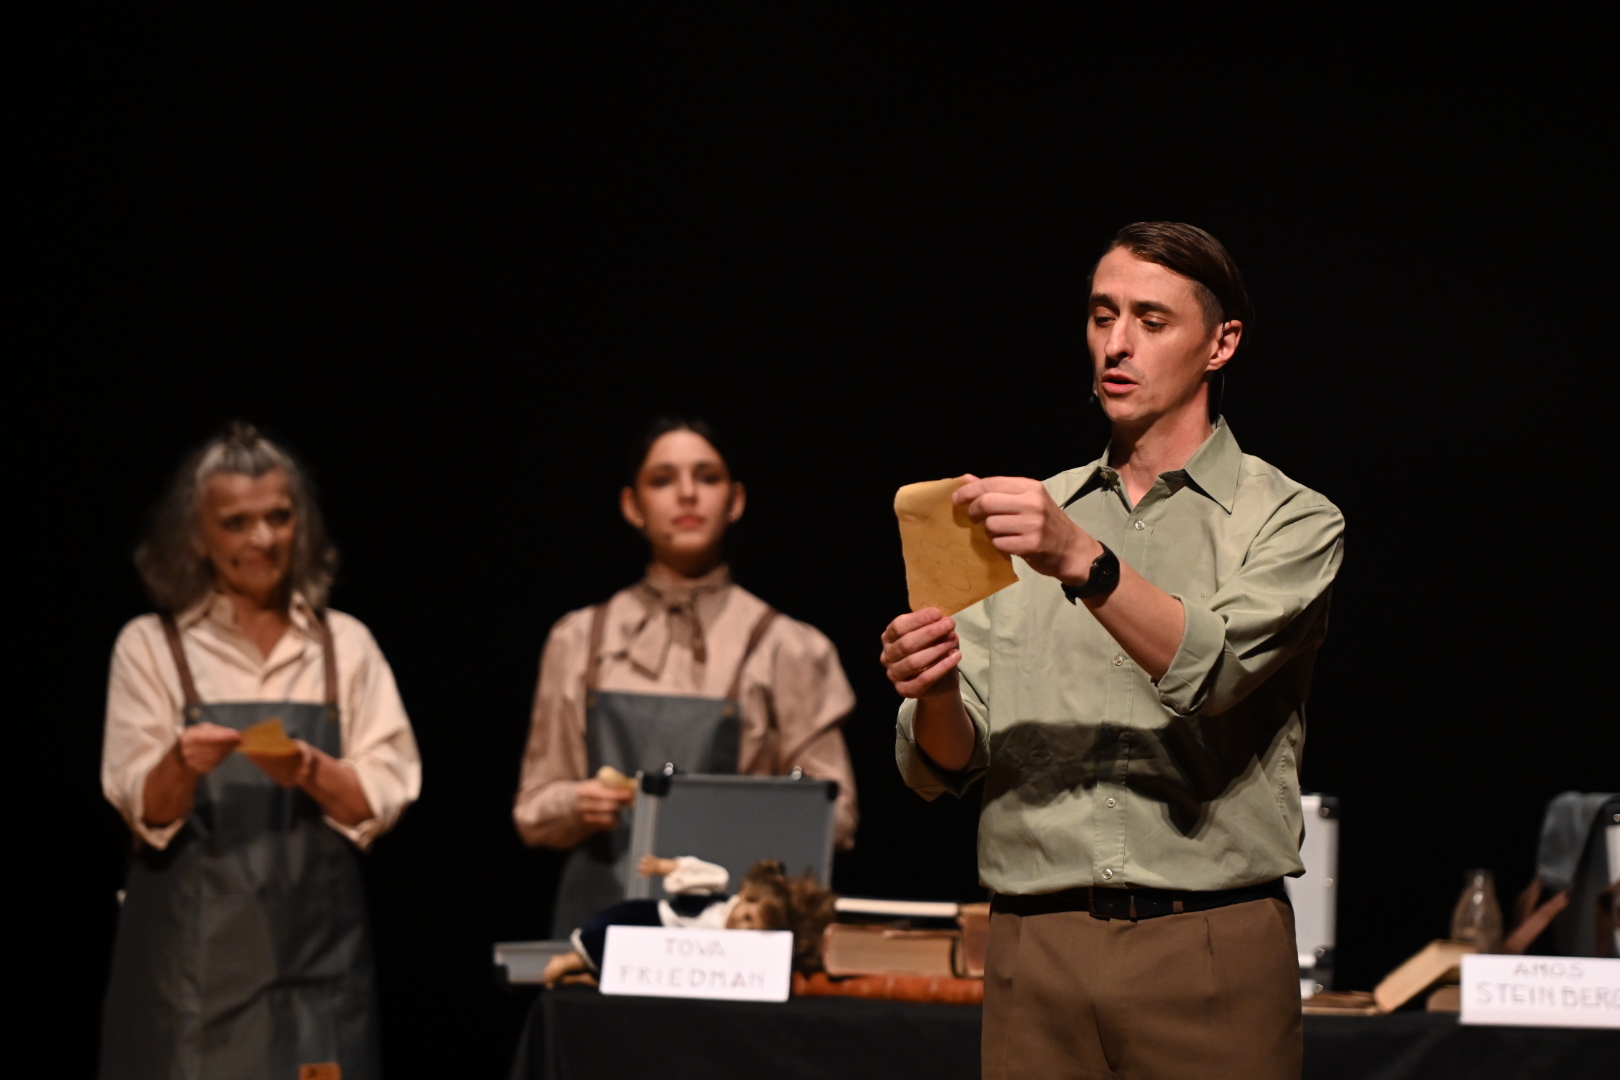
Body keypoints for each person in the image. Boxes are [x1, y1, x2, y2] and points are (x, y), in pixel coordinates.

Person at [882, 222, 1345, 1080]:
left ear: (1221, 344)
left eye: (1151, 320)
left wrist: (1081, 560)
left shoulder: (1289, 518)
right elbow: (944, 762)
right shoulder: (1027, 515)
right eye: (1103, 316)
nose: (1117, 344)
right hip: (1036, 948)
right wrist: (934, 688)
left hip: (1208, 943)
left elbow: (1212, 670)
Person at [99, 424, 421, 1080]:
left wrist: (308, 768)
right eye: (236, 523)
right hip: (190, 982)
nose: (262, 540)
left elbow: (383, 797)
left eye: (278, 517)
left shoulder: (344, 645)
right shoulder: (153, 646)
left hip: (317, 972)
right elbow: (143, 807)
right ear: (197, 535)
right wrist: (181, 763)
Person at [515, 417, 859, 936]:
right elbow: (532, 809)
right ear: (633, 505)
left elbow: (836, 817)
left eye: (707, 476)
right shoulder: (580, 638)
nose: (687, 494)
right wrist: (577, 804)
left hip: (734, 934)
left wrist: (741, 817)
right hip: (602, 928)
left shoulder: (788, 647)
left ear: (735, 500)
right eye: (662, 480)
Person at [541, 855, 836, 985]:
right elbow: (695, 870)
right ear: (746, 896)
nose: (742, 926)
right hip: (665, 922)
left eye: (752, 928)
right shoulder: (716, 900)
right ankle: (573, 961)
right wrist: (664, 866)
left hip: (676, 964)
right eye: (747, 916)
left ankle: (594, 979)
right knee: (617, 926)